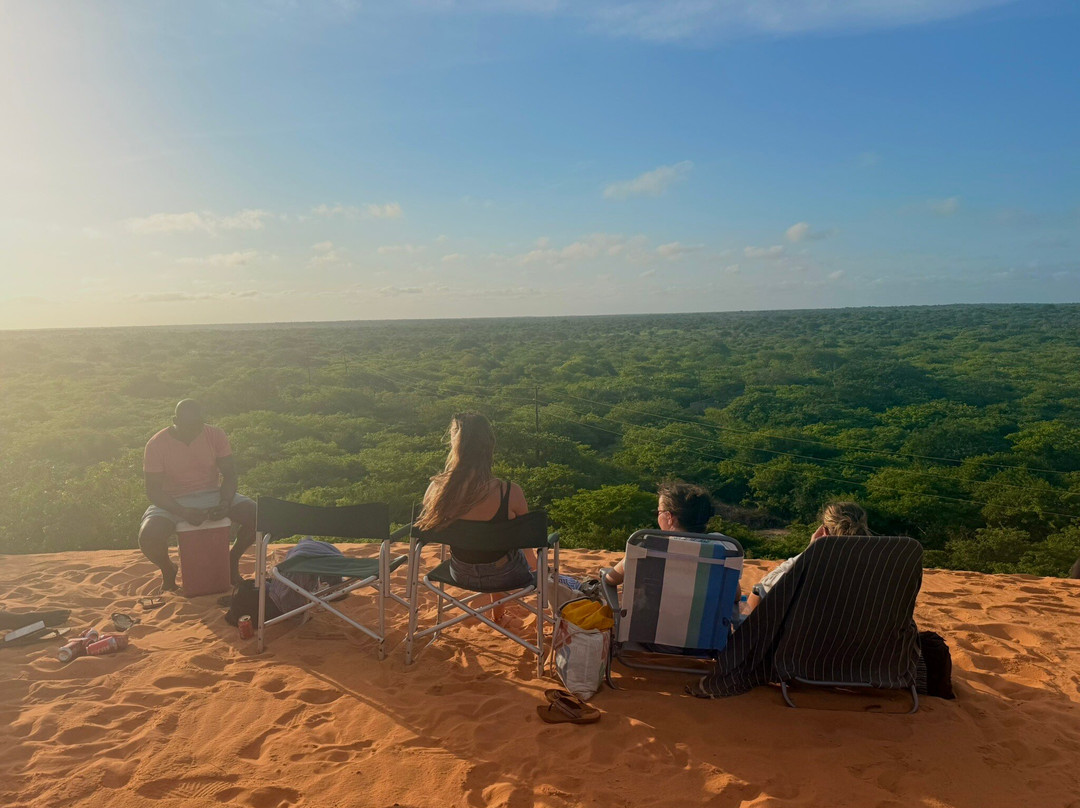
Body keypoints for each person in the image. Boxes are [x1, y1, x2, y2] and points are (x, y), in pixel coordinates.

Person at [138, 399, 257, 592]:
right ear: (174, 420)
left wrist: (225, 502)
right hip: (173, 500)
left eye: (197, 425)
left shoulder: (215, 435)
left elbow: (229, 475)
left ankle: (231, 559)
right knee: (148, 537)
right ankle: (168, 570)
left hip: (213, 493)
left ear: (202, 421)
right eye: (187, 426)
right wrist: (182, 511)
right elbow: (153, 490)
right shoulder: (156, 444)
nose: (193, 431)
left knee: (258, 517)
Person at [415, 413, 535, 594]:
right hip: (506, 575)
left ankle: (498, 614)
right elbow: (528, 545)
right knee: (505, 549)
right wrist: (540, 570)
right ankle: (499, 615)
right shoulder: (509, 492)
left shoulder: (437, 489)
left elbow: (423, 529)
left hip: (460, 573)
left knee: (498, 547)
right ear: (489, 445)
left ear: (455, 444)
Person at [743, 500, 870, 615]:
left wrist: (810, 550)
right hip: (860, 638)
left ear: (824, 532)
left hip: (808, 637)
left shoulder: (810, 568)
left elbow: (765, 586)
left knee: (757, 590)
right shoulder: (880, 565)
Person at [603, 480, 715, 586]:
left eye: (659, 512)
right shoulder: (724, 547)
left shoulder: (646, 548)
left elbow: (610, 580)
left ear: (669, 517)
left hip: (652, 607)